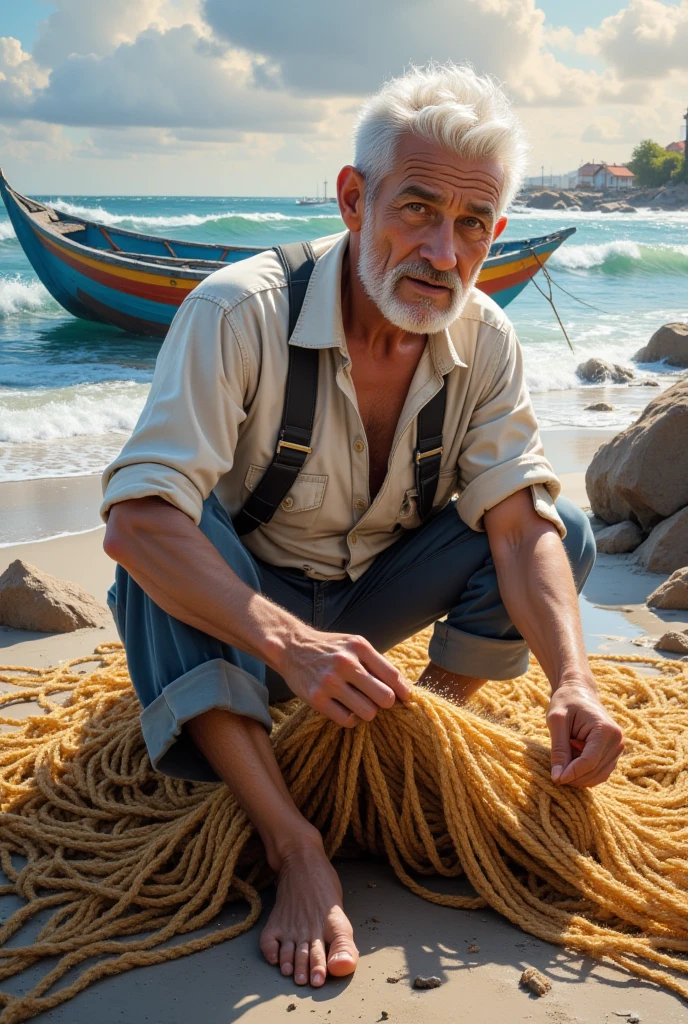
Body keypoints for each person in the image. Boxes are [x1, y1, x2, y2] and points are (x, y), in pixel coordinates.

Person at [101, 63, 623, 991]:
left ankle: (414, 740)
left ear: (495, 231)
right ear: (353, 198)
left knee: (559, 527)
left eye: (471, 225)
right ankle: (295, 841)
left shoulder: (486, 337)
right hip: (241, 611)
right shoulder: (236, 311)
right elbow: (136, 525)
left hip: (368, 603)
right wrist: (295, 647)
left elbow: (515, 526)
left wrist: (573, 681)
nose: (443, 252)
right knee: (167, 534)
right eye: (416, 209)